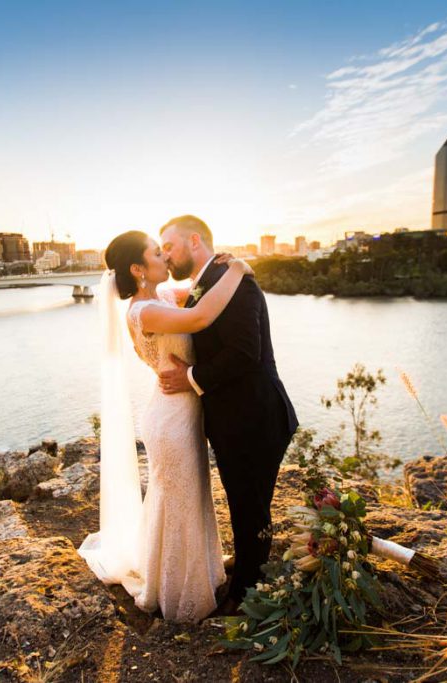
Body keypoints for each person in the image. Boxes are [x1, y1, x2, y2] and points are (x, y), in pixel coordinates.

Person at [78, 229, 252, 622]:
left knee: (185, 499)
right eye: (158, 253)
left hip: (180, 410)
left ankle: (191, 573)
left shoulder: (162, 297)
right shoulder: (144, 311)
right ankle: (180, 597)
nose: (165, 258)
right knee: (178, 503)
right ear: (139, 269)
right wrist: (238, 270)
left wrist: (212, 265)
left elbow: (196, 289)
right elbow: (201, 315)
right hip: (172, 419)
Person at [157, 215, 298, 616]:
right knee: (244, 502)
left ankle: (246, 596)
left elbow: (244, 351)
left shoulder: (236, 282)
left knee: (250, 503)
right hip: (236, 419)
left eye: (169, 245)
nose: (166, 254)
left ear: (194, 240)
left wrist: (190, 377)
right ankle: (250, 566)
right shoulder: (215, 277)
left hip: (255, 417)